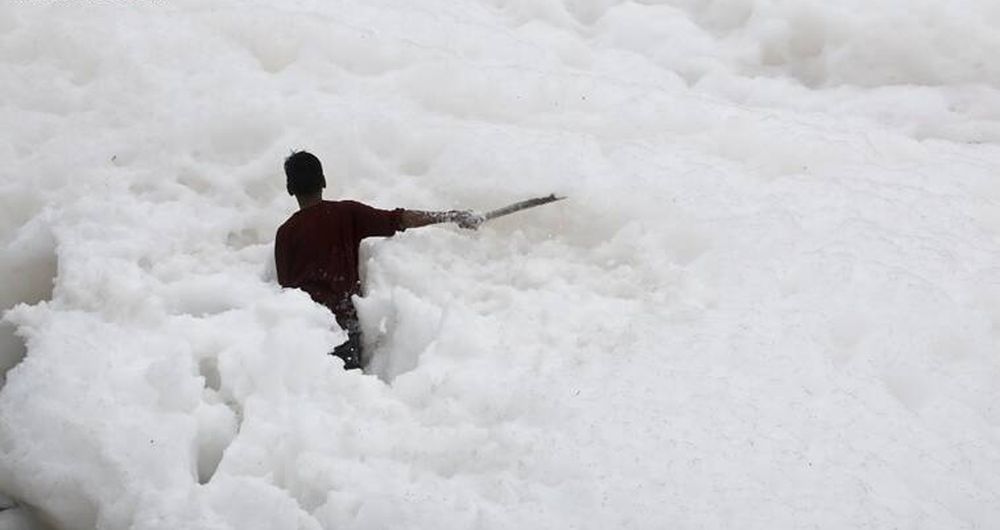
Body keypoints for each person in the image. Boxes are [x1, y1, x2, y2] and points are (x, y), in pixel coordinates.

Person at [274, 150, 481, 369]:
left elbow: (286, 292)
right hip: (345, 329)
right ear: (324, 181)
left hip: (306, 333)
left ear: (290, 189)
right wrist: (449, 216)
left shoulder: (286, 234)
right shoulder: (346, 213)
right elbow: (398, 219)